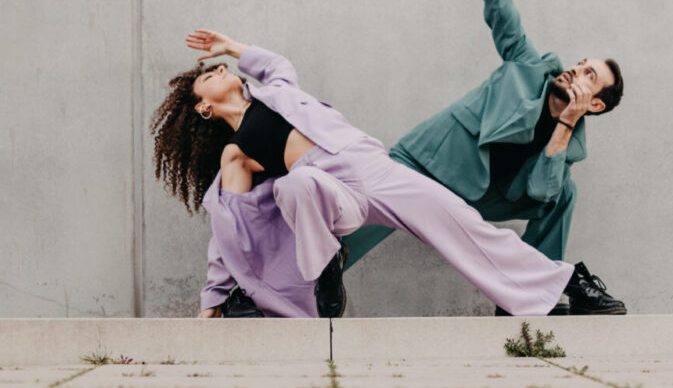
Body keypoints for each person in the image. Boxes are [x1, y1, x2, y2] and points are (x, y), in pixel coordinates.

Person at [152, 30, 603, 317]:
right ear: (203, 107)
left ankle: (562, 283)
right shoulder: (235, 154)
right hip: (328, 193)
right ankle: (324, 268)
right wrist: (212, 298)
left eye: (218, 66)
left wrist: (232, 46)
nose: (217, 69)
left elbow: (275, 64)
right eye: (208, 75)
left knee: (464, 224)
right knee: (296, 184)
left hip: (371, 167)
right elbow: (230, 230)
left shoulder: (275, 93)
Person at [337, 0, 627, 315]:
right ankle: (299, 279)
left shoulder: (573, 140)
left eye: (589, 76)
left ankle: (521, 298)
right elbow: (501, 11)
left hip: (486, 196)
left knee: (563, 193)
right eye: (581, 64)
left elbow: (539, 192)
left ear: (596, 105)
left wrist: (565, 124)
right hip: (431, 165)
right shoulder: (531, 66)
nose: (576, 71)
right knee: (374, 208)